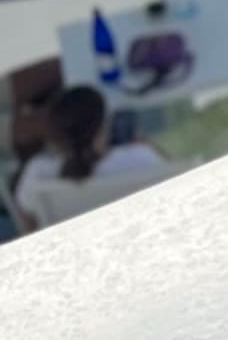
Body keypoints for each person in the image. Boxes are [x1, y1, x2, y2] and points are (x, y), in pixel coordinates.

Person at [13, 83, 170, 233]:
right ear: (103, 127)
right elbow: (174, 186)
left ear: (53, 132)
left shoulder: (38, 172)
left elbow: (29, 223)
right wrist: (146, 144)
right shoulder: (140, 158)